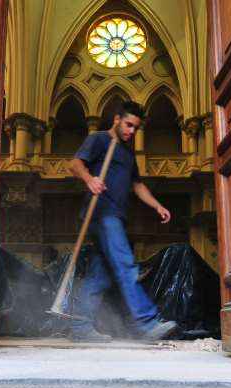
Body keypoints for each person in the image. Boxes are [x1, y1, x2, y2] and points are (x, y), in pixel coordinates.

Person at [67, 101, 178, 343]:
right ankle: (148, 323)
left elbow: (137, 185)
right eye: (128, 125)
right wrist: (90, 179)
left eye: (135, 128)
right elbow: (75, 164)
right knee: (126, 264)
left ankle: (80, 328)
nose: (131, 132)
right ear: (116, 120)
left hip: (115, 216)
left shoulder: (128, 153)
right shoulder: (98, 140)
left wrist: (157, 205)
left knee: (101, 275)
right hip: (101, 214)